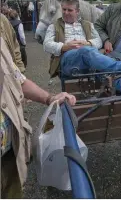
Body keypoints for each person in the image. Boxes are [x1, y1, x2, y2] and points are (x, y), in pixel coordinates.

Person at [1, 15, 76, 198]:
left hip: (10, 149)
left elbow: (18, 78)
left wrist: (50, 98)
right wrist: (65, 47)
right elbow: (47, 44)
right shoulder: (55, 25)